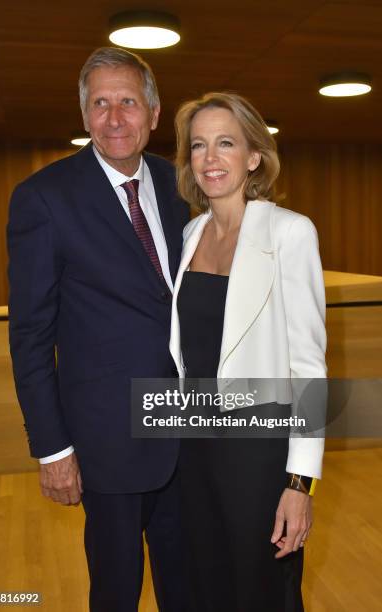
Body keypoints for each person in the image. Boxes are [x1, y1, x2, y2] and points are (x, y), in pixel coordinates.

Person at [7, 47, 189, 612]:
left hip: (192, 426)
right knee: (116, 590)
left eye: (128, 102)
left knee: (191, 582)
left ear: (154, 113)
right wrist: (53, 449)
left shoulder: (182, 183)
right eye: (100, 103)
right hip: (107, 440)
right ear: (85, 115)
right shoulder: (44, 198)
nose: (115, 118)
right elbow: (31, 334)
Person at [170, 92, 327, 611]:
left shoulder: (289, 233)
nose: (210, 158)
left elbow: (308, 366)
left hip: (258, 452)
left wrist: (299, 483)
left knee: (262, 591)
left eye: (226, 144)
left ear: (254, 156)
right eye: (198, 145)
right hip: (192, 446)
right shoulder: (190, 234)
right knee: (205, 583)